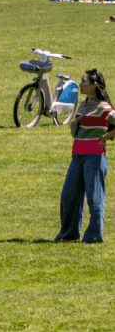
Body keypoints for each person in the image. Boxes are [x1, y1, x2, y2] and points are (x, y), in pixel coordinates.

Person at [59, 66, 113, 243]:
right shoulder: (82, 104)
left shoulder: (103, 107)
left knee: (94, 198)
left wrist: (106, 136)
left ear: (93, 85)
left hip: (95, 158)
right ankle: (69, 234)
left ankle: (94, 236)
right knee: (69, 196)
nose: (81, 84)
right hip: (77, 156)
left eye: (84, 81)